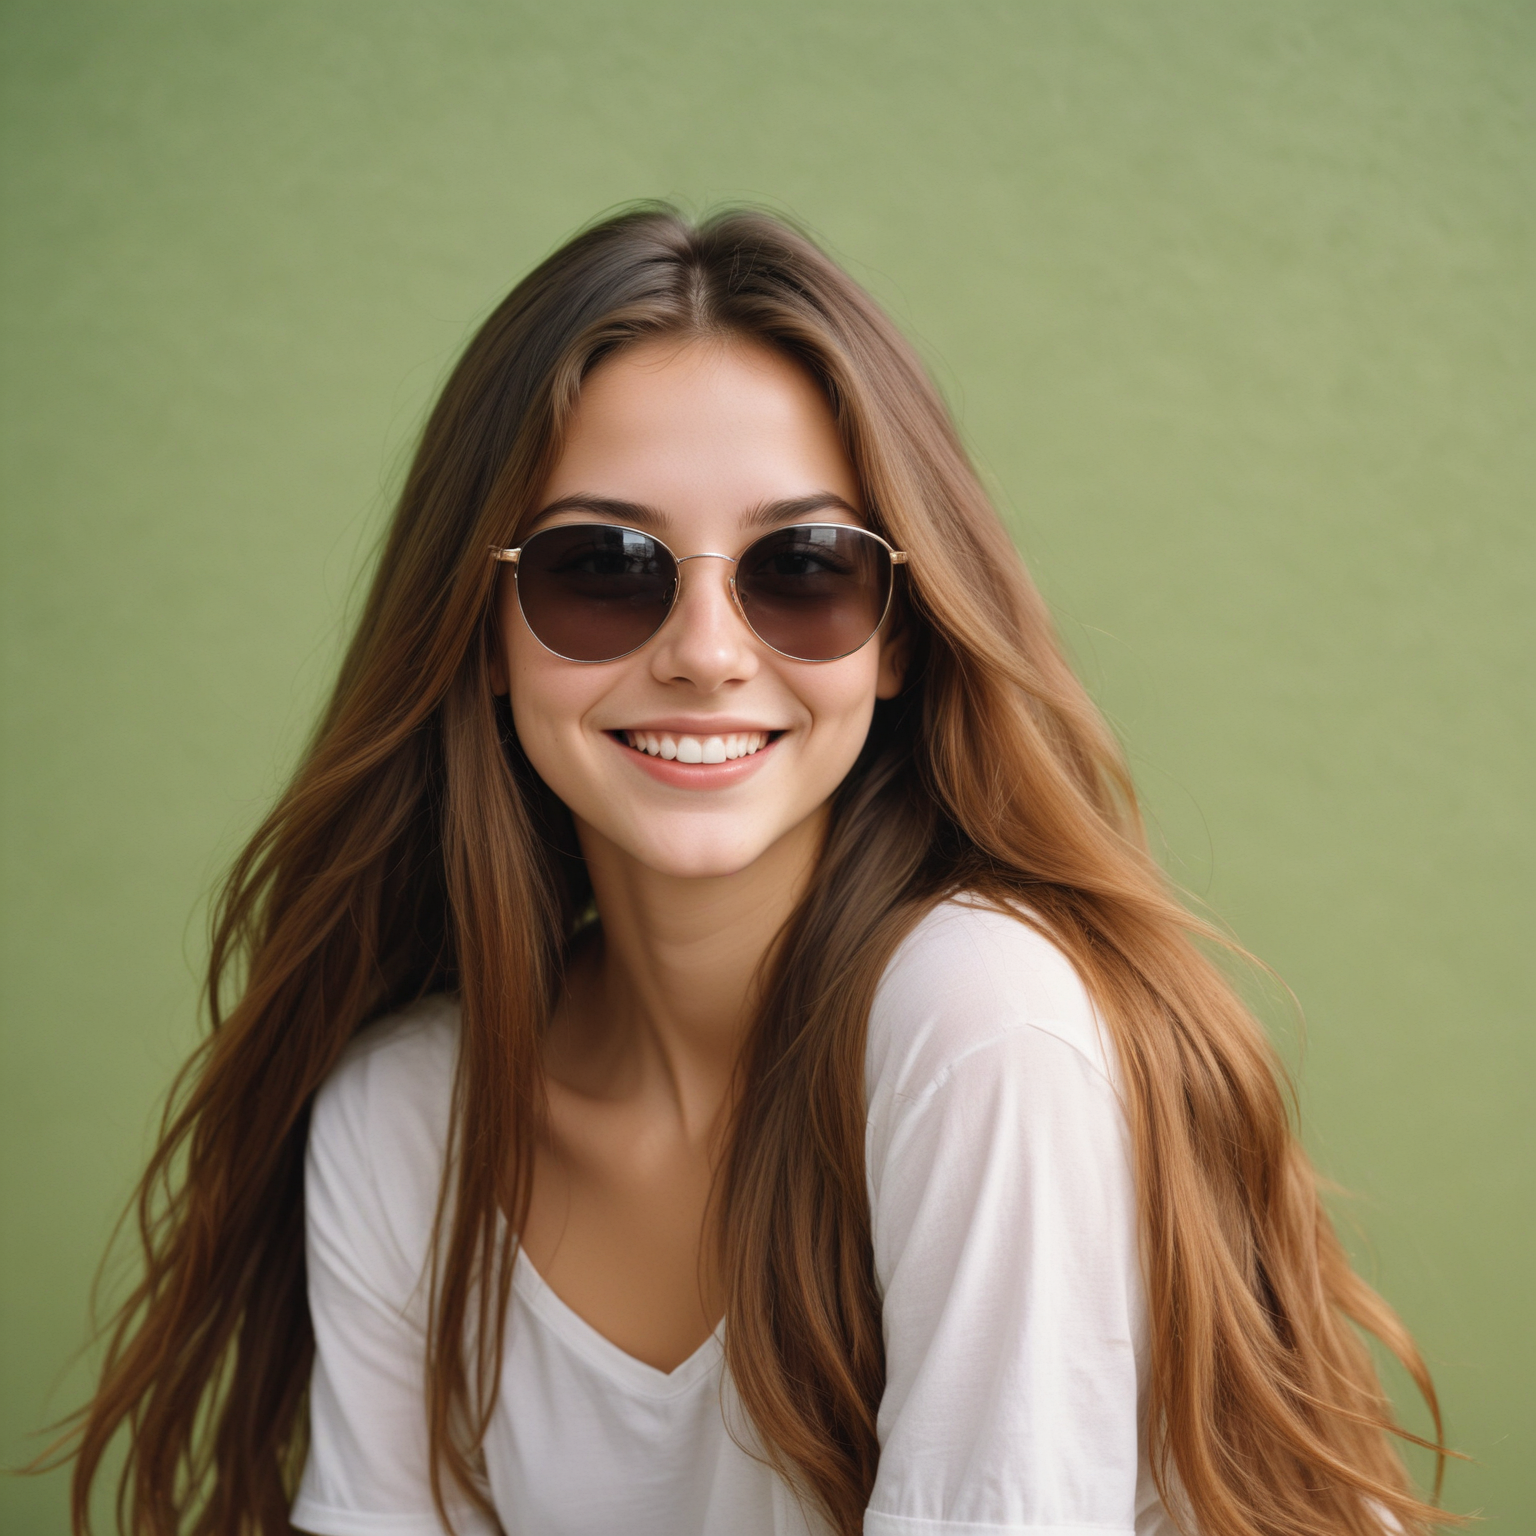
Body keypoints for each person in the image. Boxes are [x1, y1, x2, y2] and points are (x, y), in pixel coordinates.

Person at [60, 206, 1448, 1536]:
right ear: (479, 632)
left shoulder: (982, 1026)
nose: (709, 651)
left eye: (803, 567)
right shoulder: (403, 1121)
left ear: (901, 635)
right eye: (603, 567)